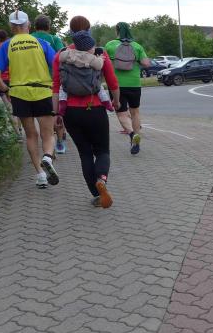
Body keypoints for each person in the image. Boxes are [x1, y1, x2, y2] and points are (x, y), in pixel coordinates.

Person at [0, 10, 60, 188]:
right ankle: (47, 157)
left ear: (11, 27)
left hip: (19, 94)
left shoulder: (6, 46)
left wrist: (6, 90)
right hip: (43, 91)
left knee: (31, 135)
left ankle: (40, 174)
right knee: (47, 134)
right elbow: (57, 67)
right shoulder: (42, 43)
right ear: (28, 24)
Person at [52, 29, 120, 207]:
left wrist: (56, 113)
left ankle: (97, 195)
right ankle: (102, 179)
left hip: (71, 112)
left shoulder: (61, 56)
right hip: (95, 108)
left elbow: (56, 86)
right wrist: (116, 101)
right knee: (102, 151)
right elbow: (112, 81)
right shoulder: (99, 55)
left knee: (85, 154)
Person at [105, 22, 151, 155]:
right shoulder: (137, 46)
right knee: (135, 112)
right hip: (134, 84)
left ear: (117, 31)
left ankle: (131, 134)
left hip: (116, 85)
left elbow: (103, 62)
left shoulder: (110, 45)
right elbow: (146, 63)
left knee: (121, 113)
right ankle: (137, 138)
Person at [31, 14, 68, 155]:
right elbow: (61, 57)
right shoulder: (54, 39)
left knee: (39, 114)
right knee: (56, 111)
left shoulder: (29, 38)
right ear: (49, 26)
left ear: (35, 26)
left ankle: (44, 141)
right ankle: (59, 141)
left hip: (32, 81)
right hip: (53, 80)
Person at [0, 29, 22, 139]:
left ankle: (17, 134)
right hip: (14, 79)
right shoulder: (12, 47)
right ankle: (20, 128)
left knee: (8, 107)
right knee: (17, 106)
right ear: (6, 37)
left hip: (0, 81)